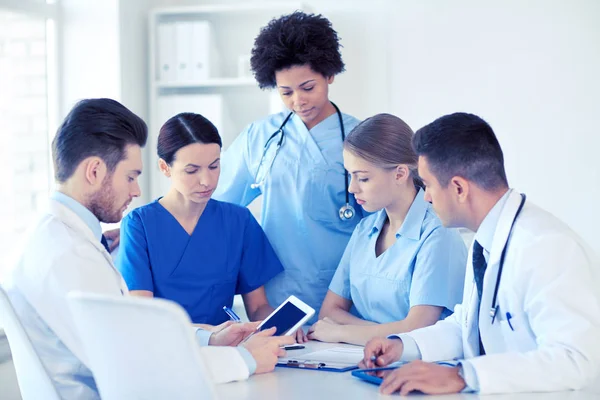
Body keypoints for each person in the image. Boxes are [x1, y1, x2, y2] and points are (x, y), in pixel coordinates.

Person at [3, 99, 293, 400]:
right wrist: (242, 360)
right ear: (94, 171)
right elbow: (131, 362)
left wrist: (209, 337)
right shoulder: (68, 255)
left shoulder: (54, 237)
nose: (137, 191)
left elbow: (132, 335)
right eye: (130, 176)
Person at [360, 112, 600, 395]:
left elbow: (577, 361)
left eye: (428, 185)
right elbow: (468, 326)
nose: (425, 196)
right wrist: (402, 345)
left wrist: (463, 375)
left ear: (459, 188)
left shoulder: (546, 246)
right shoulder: (486, 239)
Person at [213, 11, 364, 321]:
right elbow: (214, 201)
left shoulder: (361, 139)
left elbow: (385, 223)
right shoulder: (260, 137)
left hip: (345, 294)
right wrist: (155, 224)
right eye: (286, 92)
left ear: (330, 75)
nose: (298, 101)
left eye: (308, 87)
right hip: (275, 295)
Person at [116, 113, 303, 341]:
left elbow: (257, 308)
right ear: (165, 168)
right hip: (164, 349)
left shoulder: (238, 221)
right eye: (192, 170)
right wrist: (209, 334)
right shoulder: (139, 226)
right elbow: (142, 314)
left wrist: (278, 324)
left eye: (214, 166)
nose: (207, 181)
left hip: (228, 353)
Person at [307, 114, 467, 346]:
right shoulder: (365, 229)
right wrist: (386, 332)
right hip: (360, 360)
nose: (352, 188)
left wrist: (343, 332)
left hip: (420, 367)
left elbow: (420, 329)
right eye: (350, 176)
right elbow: (329, 312)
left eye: (362, 178)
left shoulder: (437, 232)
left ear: (400, 174)